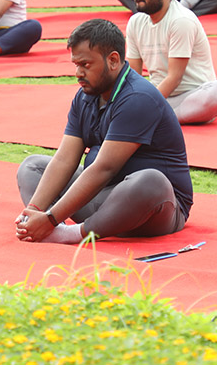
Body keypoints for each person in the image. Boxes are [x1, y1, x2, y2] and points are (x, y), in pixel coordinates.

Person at [15, 19, 192, 243]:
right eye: (75, 65)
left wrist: (50, 218)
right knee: (32, 165)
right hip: (103, 198)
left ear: (113, 60)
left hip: (152, 207)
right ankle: (48, 226)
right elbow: (64, 160)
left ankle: (68, 233)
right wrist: (36, 209)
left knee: (151, 181)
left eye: (85, 65)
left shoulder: (138, 97)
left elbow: (104, 169)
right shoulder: (85, 96)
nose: (78, 73)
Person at [124, 0, 217, 124]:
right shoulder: (135, 23)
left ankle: (157, 117)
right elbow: (133, 75)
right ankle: (156, 115)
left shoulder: (181, 20)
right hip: (160, 96)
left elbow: (175, 77)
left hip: (191, 96)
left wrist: (145, 105)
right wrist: (129, 100)